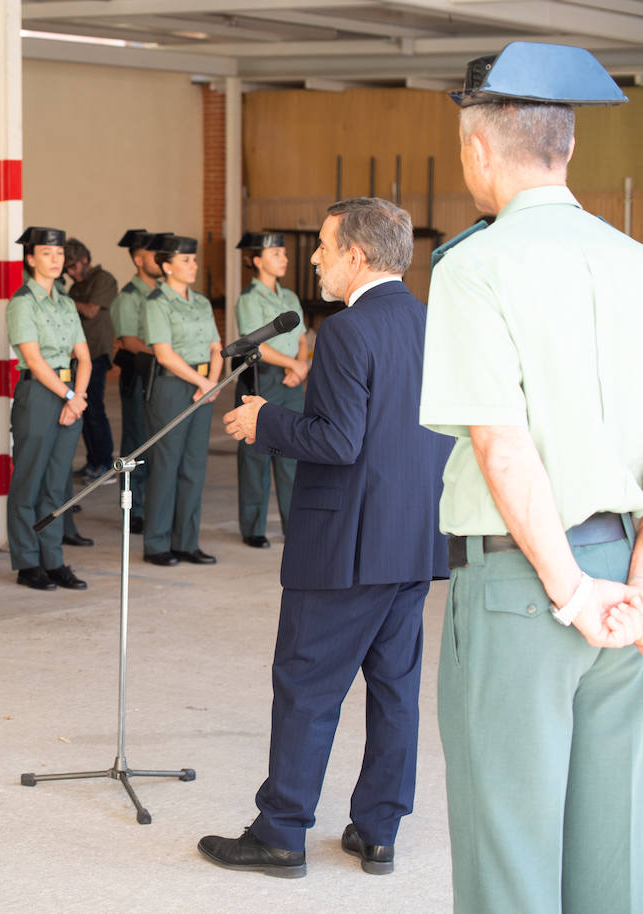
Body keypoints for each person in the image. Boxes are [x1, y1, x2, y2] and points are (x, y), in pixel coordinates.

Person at [421, 42, 643, 913]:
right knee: (612, 850)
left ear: (477, 150)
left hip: (525, 589)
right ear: (569, 148)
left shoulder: (476, 265)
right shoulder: (634, 261)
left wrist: (567, 592)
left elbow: (501, 447)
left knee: (509, 849)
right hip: (622, 586)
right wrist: (626, 587)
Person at [199, 197, 453, 879]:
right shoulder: (432, 324)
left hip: (344, 545)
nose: (313, 257)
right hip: (410, 541)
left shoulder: (345, 331)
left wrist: (265, 422)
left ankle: (280, 832)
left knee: (307, 689)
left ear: (356, 255)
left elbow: (338, 441)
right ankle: (378, 831)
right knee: (395, 692)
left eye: (322, 245)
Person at [6, 226, 90, 591]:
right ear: (30, 259)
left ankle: (53, 559)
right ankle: (28, 562)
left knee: (57, 483)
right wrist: (70, 398)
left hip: (70, 393)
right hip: (40, 394)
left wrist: (78, 396)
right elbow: (34, 361)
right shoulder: (22, 302)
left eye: (59, 255)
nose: (55, 260)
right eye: (47, 254)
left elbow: (83, 358)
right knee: (29, 480)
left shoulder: (66, 302)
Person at [139, 233, 221, 566]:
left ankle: (187, 541)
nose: (193, 265)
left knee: (194, 467)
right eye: (185, 260)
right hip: (173, 388)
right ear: (167, 266)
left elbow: (217, 347)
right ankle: (157, 544)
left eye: (193, 259)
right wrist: (204, 382)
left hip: (203, 387)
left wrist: (213, 382)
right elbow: (165, 354)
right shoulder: (157, 302)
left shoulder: (200, 301)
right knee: (166, 465)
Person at [233, 231, 308, 549]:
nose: (284, 259)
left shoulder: (289, 297)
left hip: (291, 380)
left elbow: (303, 336)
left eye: (284, 253)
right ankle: (253, 527)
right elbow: (254, 342)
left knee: (292, 453)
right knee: (256, 454)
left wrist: (299, 364)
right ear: (256, 260)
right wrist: (294, 365)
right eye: (277, 254)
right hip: (262, 378)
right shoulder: (248, 299)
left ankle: (296, 526)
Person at [109, 229, 160, 534]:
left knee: (159, 444)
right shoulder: (129, 297)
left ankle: (153, 505)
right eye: (156, 255)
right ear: (140, 260)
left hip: (163, 377)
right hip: (140, 376)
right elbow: (128, 340)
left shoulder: (165, 293)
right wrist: (164, 352)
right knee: (136, 443)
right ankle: (134, 508)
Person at [63, 238, 117, 480]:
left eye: (73, 266)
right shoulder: (76, 287)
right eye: (67, 269)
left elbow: (91, 310)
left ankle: (105, 463)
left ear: (85, 260)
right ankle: (92, 461)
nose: (70, 273)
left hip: (96, 354)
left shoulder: (104, 279)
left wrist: (64, 301)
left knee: (95, 409)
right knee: (82, 410)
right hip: (78, 356)